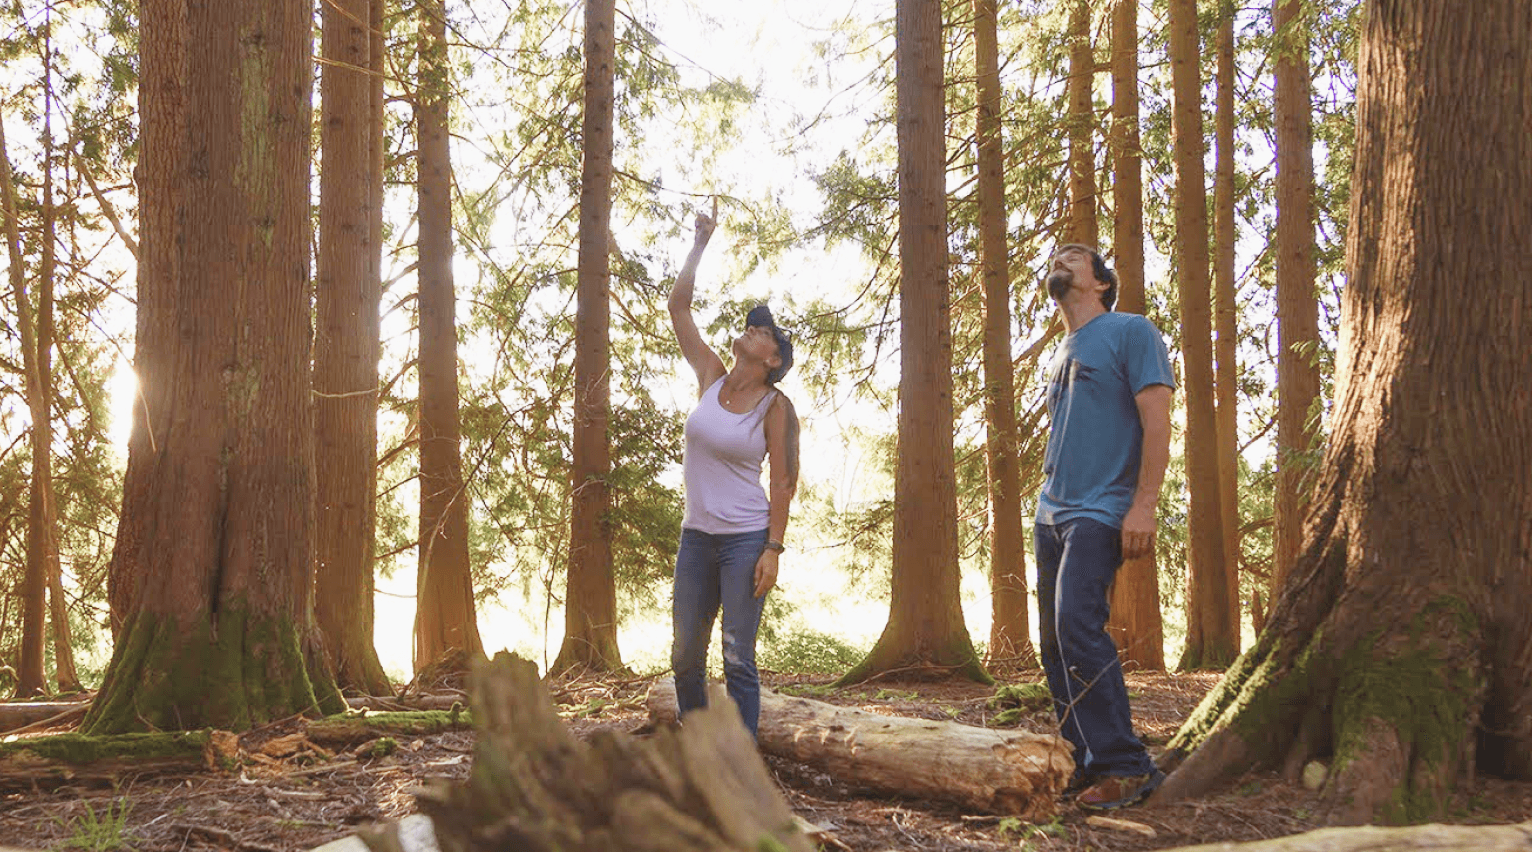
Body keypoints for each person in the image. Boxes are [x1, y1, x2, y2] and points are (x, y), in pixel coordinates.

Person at [1036, 243, 1174, 810]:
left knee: (1078, 624)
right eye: (1053, 259)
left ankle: (1126, 764)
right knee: (1053, 641)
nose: (1058, 263)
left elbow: (1157, 414)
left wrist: (1144, 504)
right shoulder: (1058, 352)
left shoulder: (1130, 331)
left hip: (1103, 508)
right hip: (1051, 513)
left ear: (1099, 281)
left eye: (1071, 257)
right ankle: (1082, 762)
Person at [667, 205, 799, 738]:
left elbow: (784, 483)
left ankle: (742, 768)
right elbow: (678, 309)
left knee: (738, 659)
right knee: (685, 657)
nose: (752, 329)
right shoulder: (711, 377)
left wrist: (773, 549)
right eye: (752, 325)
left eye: (763, 331)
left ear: (774, 360)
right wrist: (699, 243)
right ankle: (699, 753)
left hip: (746, 541)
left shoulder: (776, 407)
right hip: (697, 538)